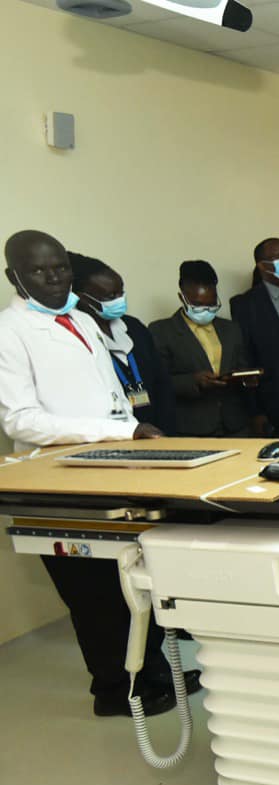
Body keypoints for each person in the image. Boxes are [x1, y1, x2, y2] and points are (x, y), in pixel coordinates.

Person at [0, 230, 200, 718]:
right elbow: (19, 420)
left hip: (113, 467)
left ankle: (152, 673)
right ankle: (113, 690)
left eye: (60, 267)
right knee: (94, 595)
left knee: (132, 580)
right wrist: (115, 432)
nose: (54, 278)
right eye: (39, 270)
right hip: (60, 481)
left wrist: (130, 434)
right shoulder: (9, 331)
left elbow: (112, 396)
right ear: (13, 277)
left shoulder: (82, 320)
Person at [69, 252, 177, 436]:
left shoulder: (134, 327)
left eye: (121, 292)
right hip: (113, 434)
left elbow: (162, 383)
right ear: (83, 299)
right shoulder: (76, 335)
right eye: (111, 296)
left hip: (157, 431)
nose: (119, 299)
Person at [149, 260, 260, 437]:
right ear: (182, 298)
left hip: (235, 425)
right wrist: (193, 381)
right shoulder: (161, 331)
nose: (206, 310)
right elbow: (158, 382)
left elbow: (241, 366)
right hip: (192, 428)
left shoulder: (231, 329)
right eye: (198, 305)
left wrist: (246, 378)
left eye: (212, 304)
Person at [230, 237, 279, 436]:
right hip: (278, 407)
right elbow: (245, 360)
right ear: (263, 266)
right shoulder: (246, 305)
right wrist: (255, 411)